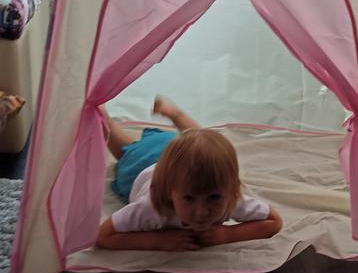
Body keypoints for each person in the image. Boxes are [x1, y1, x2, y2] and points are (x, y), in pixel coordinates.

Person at [96, 96, 282, 252]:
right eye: (189, 198)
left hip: (171, 149)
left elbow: (274, 222)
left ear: (231, 189)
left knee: (203, 145)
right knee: (126, 152)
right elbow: (103, 236)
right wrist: (157, 241)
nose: (202, 212)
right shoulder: (152, 208)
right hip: (139, 165)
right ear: (169, 192)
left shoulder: (230, 200)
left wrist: (229, 234)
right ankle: (105, 120)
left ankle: (176, 114)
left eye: (214, 197)